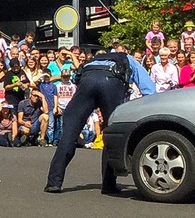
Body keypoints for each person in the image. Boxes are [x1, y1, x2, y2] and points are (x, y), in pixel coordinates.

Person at [44, 48, 156, 194]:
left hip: (87, 83)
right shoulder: (128, 59)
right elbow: (149, 90)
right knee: (110, 134)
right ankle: (108, 184)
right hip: (111, 83)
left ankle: (54, 182)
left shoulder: (93, 60)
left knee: (69, 135)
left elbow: (77, 78)